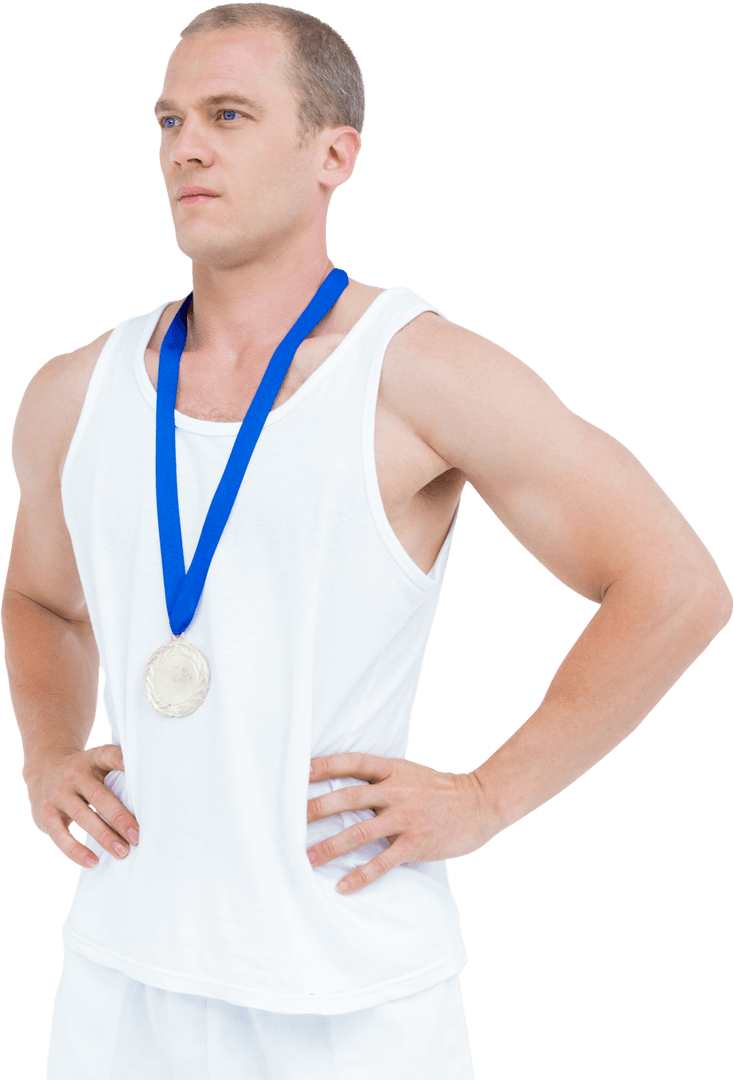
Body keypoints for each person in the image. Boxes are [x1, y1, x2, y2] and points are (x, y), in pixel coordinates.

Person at [2, 3, 730, 1078]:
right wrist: (49, 751)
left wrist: (488, 796)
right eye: (168, 119)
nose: (185, 145)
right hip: (123, 976)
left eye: (230, 114)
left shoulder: (417, 372)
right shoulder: (74, 390)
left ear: (332, 153)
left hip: (346, 986)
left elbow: (675, 586)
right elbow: (41, 601)